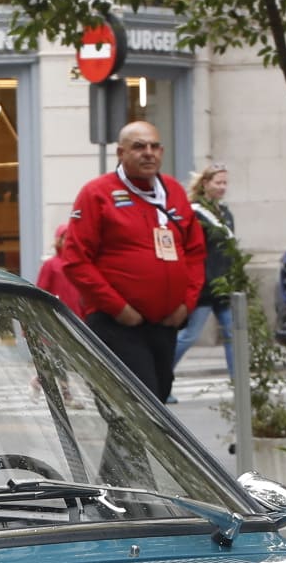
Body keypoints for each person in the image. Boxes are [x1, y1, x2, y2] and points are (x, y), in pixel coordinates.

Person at [52, 120, 206, 401]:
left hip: (165, 323)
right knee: (137, 407)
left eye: (154, 146)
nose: (148, 153)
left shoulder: (173, 191)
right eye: (139, 147)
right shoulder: (97, 193)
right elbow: (75, 260)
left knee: (156, 401)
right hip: (118, 324)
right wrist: (119, 309)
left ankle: (122, 448)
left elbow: (195, 252)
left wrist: (187, 304)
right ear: (121, 154)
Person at [176, 163, 243, 374]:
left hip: (223, 286)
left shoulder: (225, 213)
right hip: (203, 287)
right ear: (205, 183)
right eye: (218, 182)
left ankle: (238, 384)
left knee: (233, 334)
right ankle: (161, 377)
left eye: (225, 183)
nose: (223, 187)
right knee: (189, 335)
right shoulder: (195, 213)